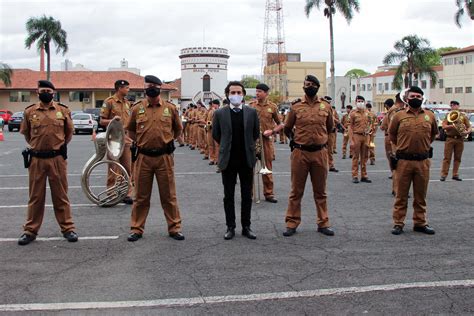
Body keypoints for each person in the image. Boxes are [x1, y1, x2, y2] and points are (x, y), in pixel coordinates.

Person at [18, 80, 78, 245]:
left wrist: (58, 148)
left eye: (48, 90)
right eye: (42, 90)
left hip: (57, 159)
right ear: (37, 92)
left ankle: (68, 228)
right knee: (35, 196)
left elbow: (68, 134)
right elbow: (27, 134)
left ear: (54, 92)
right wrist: (37, 147)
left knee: (61, 195)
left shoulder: (63, 110)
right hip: (36, 159)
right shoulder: (30, 112)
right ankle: (30, 231)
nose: (46, 92)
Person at [125, 75, 184, 242]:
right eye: (148, 85)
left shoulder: (170, 108)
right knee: (141, 196)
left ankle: (174, 228)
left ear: (159, 88)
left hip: (164, 157)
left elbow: (178, 130)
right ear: (145, 88)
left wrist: (168, 142)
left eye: (154, 85)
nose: (151, 88)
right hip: (143, 157)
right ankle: (136, 229)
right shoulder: (136, 109)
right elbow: (130, 131)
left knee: (169, 195)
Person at [282, 75, 335, 237]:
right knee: (296, 191)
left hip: (320, 153)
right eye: (306, 84)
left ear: (317, 87)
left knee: (321, 192)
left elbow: (330, 127)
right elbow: (287, 127)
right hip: (300, 153)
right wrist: (294, 141)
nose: (308, 86)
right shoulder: (296, 107)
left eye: (311, 84)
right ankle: (292, 222)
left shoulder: (326, 107)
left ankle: (323, 223)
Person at [212, 81, 260, 240]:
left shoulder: (252, 112)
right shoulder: (219, 113)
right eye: (232, 92)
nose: (236, 95)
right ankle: (230, 227)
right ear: (227, 94)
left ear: (243, 94)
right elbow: (216, 135)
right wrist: (227, 146)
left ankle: (246, 226)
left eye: (239, 92)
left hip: (246, 159)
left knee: (247, 195)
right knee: (229, 195)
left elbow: (255, 133)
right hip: (228, 160)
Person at [388, 86, 438, 235]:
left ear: (422, 98)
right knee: (401, 195)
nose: (415, 98)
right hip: (404, 161)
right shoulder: (399, 116)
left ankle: (420, 222)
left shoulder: (429, 115)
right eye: (412, 96)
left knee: (420, 195)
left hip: (423, 161)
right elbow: (392, 135)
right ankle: (398, 223)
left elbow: (434, 134)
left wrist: (422, 146)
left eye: (418, 96)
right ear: (407, 98)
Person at [249, 83, 284, 203]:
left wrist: (273, 131)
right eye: (256, 91)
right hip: (252, 141)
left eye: (260, 91)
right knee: (250, 168)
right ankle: (249, 193)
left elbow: (280, 124)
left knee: (267, 168)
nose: (257, 93)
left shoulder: (272, 107)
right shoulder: (251, 106)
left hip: (266, 141)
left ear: (266, 93)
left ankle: (269, 194)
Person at [100, 79, 134, 204]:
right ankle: (111, 192)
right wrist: (113, 120)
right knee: (113, 167)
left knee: (127, 168)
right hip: (113, 138)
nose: (128, 90)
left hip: (125, 137)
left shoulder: (127, 103)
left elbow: (129, 122)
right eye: (127, 88)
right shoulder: (109, 102)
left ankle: (126, 193)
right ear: (120, 88)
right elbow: (102, 121)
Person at [440, 100, 472, 181]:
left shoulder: (463, 116)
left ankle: (455, 174)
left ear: (458, 106)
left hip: (460, 139)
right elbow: (443, 126)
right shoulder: (448, 115)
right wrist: (452, 126)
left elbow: (469, 126)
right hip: (450, 138)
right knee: (447, 158)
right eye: (451, 105)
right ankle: (444, 175)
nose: (452, 107)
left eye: (454, 105)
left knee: (458, 158)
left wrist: (467, 131)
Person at [349, 96, 374, 183]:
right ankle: (355, 175)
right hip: (356, 135)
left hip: (365, 136)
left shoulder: (368, 113)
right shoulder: (353, 113)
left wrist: (370, 130)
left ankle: (364, 175)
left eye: (362, 101)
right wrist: (351, 140)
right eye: (359, 101)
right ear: (355, 102)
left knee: (365, 157)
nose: (360, 102)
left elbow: (371, 123)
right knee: (356, 156)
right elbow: (350, 127)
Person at [380, 98, 395, 176]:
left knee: (390, 155)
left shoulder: (389, 113)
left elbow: (382, 126)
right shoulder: (399, 111)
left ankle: (394, 172)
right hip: (396, 137)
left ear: (386, 105)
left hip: (389, 136)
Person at [206, 99, 220, 165]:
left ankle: (217, 159)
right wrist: (208, 127)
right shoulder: (210, 112)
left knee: (217, 146)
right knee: (211, 145)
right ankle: (212, 159)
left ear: (217, 105)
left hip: (217, 130)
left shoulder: (220, 111)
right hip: (210, 130)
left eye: (214, 104)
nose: (213, 105)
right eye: (212, 104)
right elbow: (208, 121)